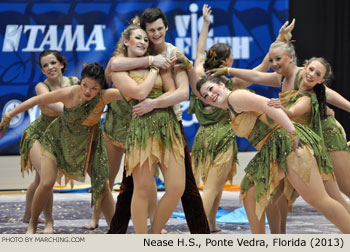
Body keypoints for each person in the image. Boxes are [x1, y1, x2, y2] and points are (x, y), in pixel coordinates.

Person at [208, 42, 350, 232]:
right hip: (295, 136)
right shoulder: (282, 79)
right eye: (271, 59)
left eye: (278, 59)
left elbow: (313, 102)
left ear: (292, 59)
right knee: (277, 196)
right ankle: (278, 238)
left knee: (338, 192)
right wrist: (228, 69)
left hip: (322, 136)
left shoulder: (304, 79)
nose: (273, 63)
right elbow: (257, 75)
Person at [107, 8, 210, 234]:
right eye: (148, 32)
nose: (153, 35)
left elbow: (182, 92)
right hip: (140, 126)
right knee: (135, 188)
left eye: (159, 29)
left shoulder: (172, 53)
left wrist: (154, 102)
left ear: (166, 28)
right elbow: (113, 68)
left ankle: (154, 234)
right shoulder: (128, 60)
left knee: (179, 186)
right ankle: (139, 238)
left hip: (170, 123)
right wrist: (153, 61)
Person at [0, 62, 123, 234]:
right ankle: (33, 224)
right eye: (85, 85)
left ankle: (115, 231)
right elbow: (38, 100)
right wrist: (8, 115)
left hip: (88, 142)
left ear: (101, 88)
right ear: (80, 82)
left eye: (94, 88)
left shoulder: (105, 96)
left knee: (103, 185)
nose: (87, 91)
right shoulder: (69, 92)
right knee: (46, 182)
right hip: (57, 140)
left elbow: (134, 93)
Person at [20, 49, 79, 233]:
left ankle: (28, 213)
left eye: (53, 63)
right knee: (47, 179)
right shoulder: (41, 87)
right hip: (38, 135)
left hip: (58, 137)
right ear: (42, 71)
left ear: (61, 64)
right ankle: (48, 222)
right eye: (45, 66)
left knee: (39, 180)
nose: (50, 67)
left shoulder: (74, 82)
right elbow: (57, 106)